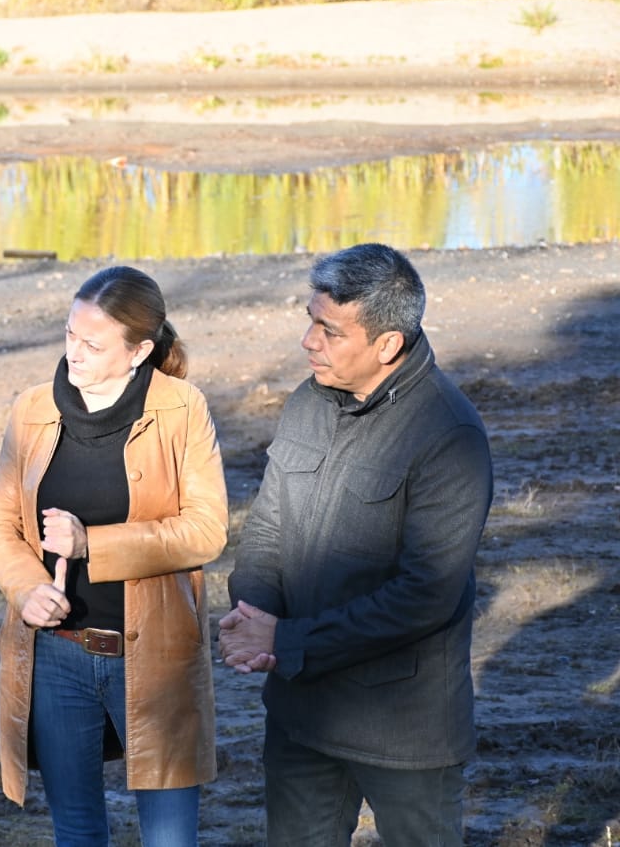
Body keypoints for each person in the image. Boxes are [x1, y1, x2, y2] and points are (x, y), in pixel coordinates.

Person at [219, 243, 493, 846]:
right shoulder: (307, 402)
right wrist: (256, 609)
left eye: (329, 330)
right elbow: (268, 525)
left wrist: (285, 640)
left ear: (386, 344)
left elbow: (426, 595)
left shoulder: (449, 435)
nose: (308, 341)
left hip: (405, 730)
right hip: (301, 716)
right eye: (310, 320)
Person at [0, 265, 229, 846]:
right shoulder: (32, 410)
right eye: (70, 335)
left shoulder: (181, 409)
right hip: (56, 658)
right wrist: (24, 589)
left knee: (170, 840)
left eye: (93, 344)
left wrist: (93, 543)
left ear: (140, 350)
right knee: (77, 832)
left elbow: (207, 531)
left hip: (157, 659)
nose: (75, 353)